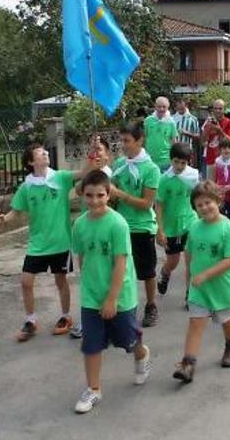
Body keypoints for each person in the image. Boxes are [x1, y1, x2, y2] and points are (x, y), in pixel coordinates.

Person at [71, 170, 151, 414]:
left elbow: (121, 263)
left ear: (109, 195)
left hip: (120, 296)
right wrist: (88, 287)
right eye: (89, 195)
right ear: (82, 195)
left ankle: (142, 354)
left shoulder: (118, 224)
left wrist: (112, 298)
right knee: (91, 344)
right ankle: (93, 389)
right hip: (91, 296)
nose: (94, 200)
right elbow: (81, 256)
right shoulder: (80, 224)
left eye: (100, 195)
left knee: (127, 341)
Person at [0, 143, 82, 342]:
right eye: (40, 153)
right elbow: (15, 211)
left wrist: (94, 153)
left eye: (45, 151)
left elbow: (83, 172)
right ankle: (31, 320)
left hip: (60, 241)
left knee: (61, 280)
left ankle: (65, 317)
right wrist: (3, 220)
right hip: (37, 244)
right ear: (31, 162)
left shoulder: (60, 178)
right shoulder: (26, 187)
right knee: (26, 282)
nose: (45, 153)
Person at [173, 181, 230, 382]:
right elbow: (189, 253)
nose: (204, 207)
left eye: (207, 202)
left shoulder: (229, 229)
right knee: (195, 322)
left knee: (226, 319)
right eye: (199, 205)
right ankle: (188, 364)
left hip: (221, 287)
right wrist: (190, 279)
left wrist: (206, 275)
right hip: (199, 288)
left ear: (218, 200)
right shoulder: (194, 227)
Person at [110, 121, 162, 328]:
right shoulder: (118, 165)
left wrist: (119, 194)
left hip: (141, 226)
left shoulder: (151, 169)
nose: (123, 145)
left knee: (146, 271)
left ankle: (151, 305)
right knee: (120, 271)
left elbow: (146, 203)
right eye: (121, 140)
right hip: (120, 225)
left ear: (140, 140)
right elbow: (113, 197)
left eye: (127, 141)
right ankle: (123, 307)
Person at [155, 143, 200, 304]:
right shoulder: (164, 180)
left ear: (188, 162)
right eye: (176, 162)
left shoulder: (193, 176)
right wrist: (160, 230)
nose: (180, 166)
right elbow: (158, 206)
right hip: (171, 227)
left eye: (183, 163)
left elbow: (199, 199)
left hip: (190, 223)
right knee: (173, 262)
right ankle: (165, 273)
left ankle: (190, 295)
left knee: (191, 262)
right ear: (171, 160)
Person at [201, 99, 230, 180]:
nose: (218, 111)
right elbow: (203, 142)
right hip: (211, 160)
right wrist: (207, 129)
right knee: (211, 189)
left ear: (224, 109)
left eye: (220, 108)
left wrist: (219, 130)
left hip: (225, 160)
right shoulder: (209, 121)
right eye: (215, 108)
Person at [144, 96, 178, 170]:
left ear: (167, 107)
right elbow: (143, 138)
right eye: (159, 106)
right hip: (150, 159)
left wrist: (174, 158)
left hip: (166, 160)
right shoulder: (148, 120)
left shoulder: (171, 122)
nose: (161, 109)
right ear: (155, 107)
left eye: (164, 107)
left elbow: (174, 141)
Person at [172, 97, 201, 165]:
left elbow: (198, 135)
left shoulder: (193, 119)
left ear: (186, 106)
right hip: (174, 150)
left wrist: (186, 133)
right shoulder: (171, 118)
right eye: (178, 108)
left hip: (186, 150)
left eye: (182, 108)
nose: (180, 110)